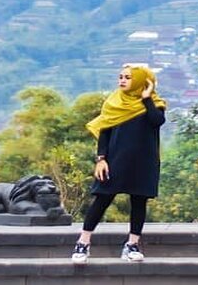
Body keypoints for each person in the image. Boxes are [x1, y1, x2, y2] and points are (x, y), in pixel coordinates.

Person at [71, 63, 166, 264]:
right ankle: (83, 243)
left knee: (139, 201)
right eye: (121, 76)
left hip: (144, 161)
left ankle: (132, 244)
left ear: (141, 81)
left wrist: (146, 98)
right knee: (102, 199)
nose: (122, 80)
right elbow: (104, 132)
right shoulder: (114, 102)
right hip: (114, 160)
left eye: (128, 77)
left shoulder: (154, 103)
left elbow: (156, 121)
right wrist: (101, 159)